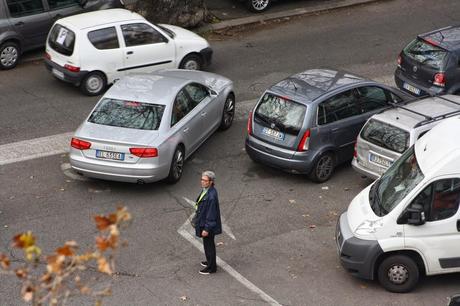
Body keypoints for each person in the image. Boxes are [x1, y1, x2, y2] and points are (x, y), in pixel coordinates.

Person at [195, 170, 222, 275]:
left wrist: (206, 229)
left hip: (208, 226)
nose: (202, 182)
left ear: (211, 182)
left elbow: (211, 215)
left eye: (205, 180)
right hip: (205, 222)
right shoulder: (208, 190)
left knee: (209, 245)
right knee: (208, 245)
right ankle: (210, 261)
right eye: (202, 179)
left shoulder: (211, 196)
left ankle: (211, 268)